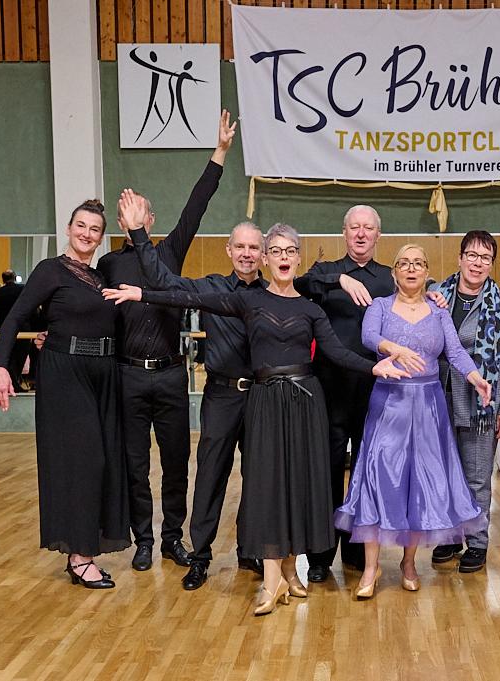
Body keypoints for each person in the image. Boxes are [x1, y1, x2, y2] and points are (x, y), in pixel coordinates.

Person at [103, 218, 408, 616]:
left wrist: (375, 367)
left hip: (303, 402)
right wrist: (143, 293)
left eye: (290, 252)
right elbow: (188, 298)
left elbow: (335, 351)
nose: (283, 257)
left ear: (298, 259)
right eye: (276, 251)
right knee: (264, 485)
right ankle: (257, 575)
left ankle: (289, 570)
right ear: (266, 258)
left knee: (294, 485)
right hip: (264, 398)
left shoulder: (310, 308)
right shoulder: (249, 300)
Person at [96, 109, 237, 574]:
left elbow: (197, 203)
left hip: (172, 375)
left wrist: (219, 152)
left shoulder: (168, 253)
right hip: (129, 376)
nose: (130, 220)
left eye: (137, 214)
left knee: (176, 464)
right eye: (123, 217)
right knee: (136, 465)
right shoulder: (110, 266)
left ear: (150, 219)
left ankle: (173, 538)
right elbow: (91, 314)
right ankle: (143, 540)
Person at [122, 207, 269, 590]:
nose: (247, 253)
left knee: (257, 478)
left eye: (254, 247)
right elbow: (163, 280)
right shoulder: (211, 288)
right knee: (209, 478)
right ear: (229, 250)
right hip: (221, 396)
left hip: (261, 398)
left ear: (264, 253)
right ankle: (201, 557)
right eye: (240, 246)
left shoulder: (275, 294)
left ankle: (249, 551)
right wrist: (139, 233)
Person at [335, 244, 491, 597]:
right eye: (404, 263)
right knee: (378, 478)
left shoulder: (438, 312)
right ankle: (372, 569)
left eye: (418, 263)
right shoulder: (379, 307)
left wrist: (476, 378)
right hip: (389, 402)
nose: (411, 269)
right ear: (394, 272)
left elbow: (454, 352)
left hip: (428, 406)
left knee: (420, 484)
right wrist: (394, 348)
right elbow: (368, 337)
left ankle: (408, 562)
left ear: (426, 272)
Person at [0, 199, 130, 589]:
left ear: (102, 237)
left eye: (95, 229)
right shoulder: (50, 270)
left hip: (104, 375)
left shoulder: (101, 277)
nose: (87, 234)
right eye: (81, 226)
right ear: (69, 229)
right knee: (84, 462)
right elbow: (16, 317)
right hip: (66, 375)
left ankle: (85, 547)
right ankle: (79, 556)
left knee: (102, 463)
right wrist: (1, 366)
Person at [293, 205, 396, 582]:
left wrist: (435, 299)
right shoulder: (323, 273)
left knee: (366, 476)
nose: (361, 233)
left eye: (368, 228)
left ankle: (356, 550)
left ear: (377, 235)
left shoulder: (388, 279)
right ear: (344, 232)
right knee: (327, 473)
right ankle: (319, 556)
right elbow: (299, 286)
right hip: (329, 392)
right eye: (354, 227)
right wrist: (341, 279)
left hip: (375, 394)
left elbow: (415, 300)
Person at [428, 231, 500, 573]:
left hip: (481, 404)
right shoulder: (437, 295)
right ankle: (450, 537)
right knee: (444, 473)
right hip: (438, 398)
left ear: (491, 263)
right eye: (472, 255)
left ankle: (477, 542)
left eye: (485, 258)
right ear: (460, 258)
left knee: (477, 478)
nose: (477, 263)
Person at [0, 270, 30, 392]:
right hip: (24, 328)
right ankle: (15, 381)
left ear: (3, 280)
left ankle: (12, 382)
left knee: (9, 355)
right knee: (20, 355)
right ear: (14, 278)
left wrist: (0, 325)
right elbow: (31, 308)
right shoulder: (23, 290)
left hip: (5, 329)